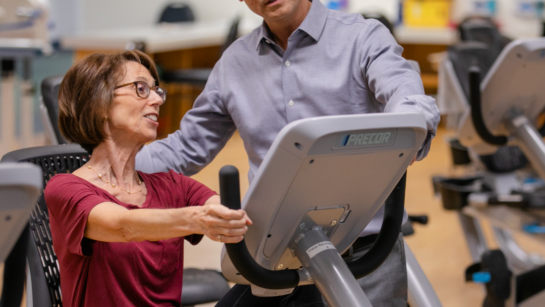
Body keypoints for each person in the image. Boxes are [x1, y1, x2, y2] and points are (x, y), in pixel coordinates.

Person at [136, 0, 441, 306]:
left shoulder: (362, 37)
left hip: (366, 251)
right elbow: (187, 145)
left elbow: (406, 93)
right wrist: (106, 167)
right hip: (276, 256)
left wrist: (406, 128)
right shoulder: (234, 63)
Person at [44, 50, 251, 307]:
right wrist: (197, 219)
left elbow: (218, 206)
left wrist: (226, 216)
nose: (157, 100)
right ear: (99, 104)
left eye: (157, 90)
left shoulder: (173, 186)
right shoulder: (64, 188)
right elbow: (123, 225)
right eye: (141, 88)